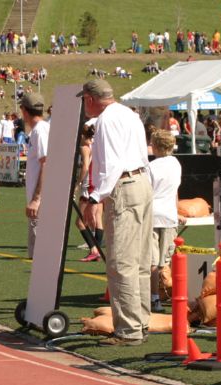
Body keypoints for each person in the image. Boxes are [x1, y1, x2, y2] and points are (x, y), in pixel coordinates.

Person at [80, 79, 152, 347]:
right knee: (140, 261)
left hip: (123, 185)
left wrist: (94, 198)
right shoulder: (128, 114)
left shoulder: (107, 121)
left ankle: (129, 329)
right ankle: (140, 321)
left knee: (121, 262)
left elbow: (111, 164)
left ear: (90, 99)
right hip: (142, 182)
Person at [147, 130, 181, 313]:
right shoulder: (176, 164)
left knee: (151, 262)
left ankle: (154, 299)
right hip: (169, 216)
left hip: (152, 214)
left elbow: (146, 193)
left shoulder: (151, 167)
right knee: (163, 262)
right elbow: (175, 190)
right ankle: (165, 296)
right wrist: (176, 211)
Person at [21, 94, 49, 259]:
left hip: (41, 201)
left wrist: (36, 198)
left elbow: (46, 163)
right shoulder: (39, 130)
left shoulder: (40, 131)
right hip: (39, 199)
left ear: (24, 111)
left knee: (39, 257)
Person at [74, 122, 102, 262]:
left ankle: (93, 249)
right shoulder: (96, 145)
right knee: (97, 220)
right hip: (97, 184)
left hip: (88, 185)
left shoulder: (85, 147)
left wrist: (78, 182)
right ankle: (98, 250)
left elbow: (85, 166)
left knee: (80, 222)